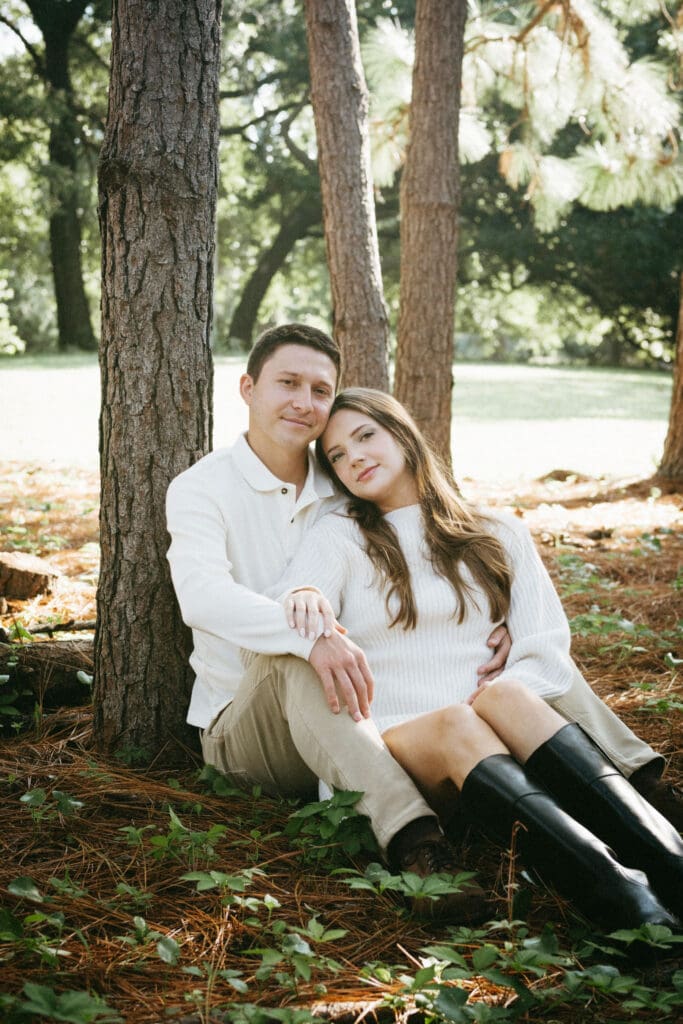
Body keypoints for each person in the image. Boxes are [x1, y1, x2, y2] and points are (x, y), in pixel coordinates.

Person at [166, 323, 674, 921]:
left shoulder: (342, 485)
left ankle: (655, 835)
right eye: (287, 383)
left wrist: (501, 623)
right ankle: (416, 846)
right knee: (301, 656)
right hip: (253, 717)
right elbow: (211, 597)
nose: (305, 403)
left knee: (510, 687)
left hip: (390, 722)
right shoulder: (209, 488)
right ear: (248, 388)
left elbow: (436, 534)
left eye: (320, 390)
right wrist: (311, 628)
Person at [273, 387, 682, 933]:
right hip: (398, 750)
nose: (355, 459)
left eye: (365, 436)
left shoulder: (498, 532)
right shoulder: (341, 535)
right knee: (459, 720)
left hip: (496, 760)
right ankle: (624, 896)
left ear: (402, 433)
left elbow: (545, 649)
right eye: (338, 456)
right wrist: (301, 593)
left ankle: (671, 863)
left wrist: (495, 701)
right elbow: (300, 595)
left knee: (507, 693)